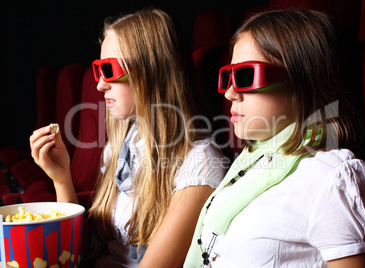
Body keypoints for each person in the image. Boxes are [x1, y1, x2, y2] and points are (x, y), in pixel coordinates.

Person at [184, 9, 365, 268]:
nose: (230, 94)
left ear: (303, 82)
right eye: (227, 77)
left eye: (245, 77)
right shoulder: (248, 163)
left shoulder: (335, 180)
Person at [29, 8, 226, 267]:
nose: (100, 85)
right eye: (97, 70)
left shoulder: (199, 163)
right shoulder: (125, 142)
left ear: (152, 72)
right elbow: (75, 250)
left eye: (108, 70)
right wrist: (61, 176)